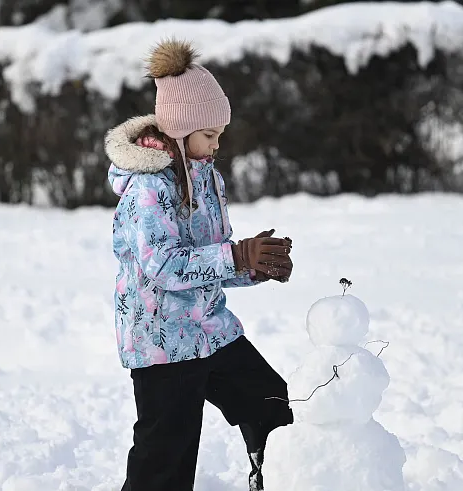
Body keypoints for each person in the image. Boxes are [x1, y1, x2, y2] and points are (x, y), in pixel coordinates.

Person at [104, 39, 295, 491]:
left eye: (219, 135)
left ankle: (284, 478)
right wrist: (236, 256)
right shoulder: (148, 188)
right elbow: (163, 266)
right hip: (161, 340)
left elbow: (214, 251)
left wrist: (253, 266)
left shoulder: (206, 174)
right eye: (209, 135)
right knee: (166, 453)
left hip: (209, 328)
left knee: (269, 402)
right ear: (180, 128)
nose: (216, 144)